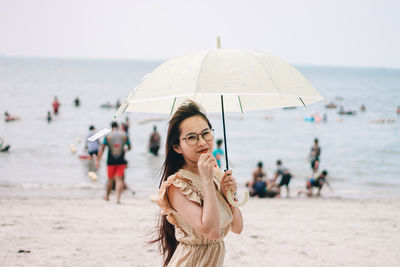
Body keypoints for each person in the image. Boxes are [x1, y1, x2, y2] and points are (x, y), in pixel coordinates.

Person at [150, 101, 243, 267]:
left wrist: (229, 196)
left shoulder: (214, 174)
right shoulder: (178, 185)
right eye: (192, 137)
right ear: (177, 147)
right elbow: (212, 231)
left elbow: (237, 227)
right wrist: (207, 182)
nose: (202, 142)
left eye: (206, 133)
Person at [96, 121, 131, 204]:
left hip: (110, 161)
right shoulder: (124, 135)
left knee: (110, 179)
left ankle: (107, 196)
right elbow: (129, 147)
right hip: (121, 160)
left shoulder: (108, 136)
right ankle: (118, 199)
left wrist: (98, 159)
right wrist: (125, 149)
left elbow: (103, 148)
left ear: (111, 127)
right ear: (118, 126)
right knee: (119, 180)